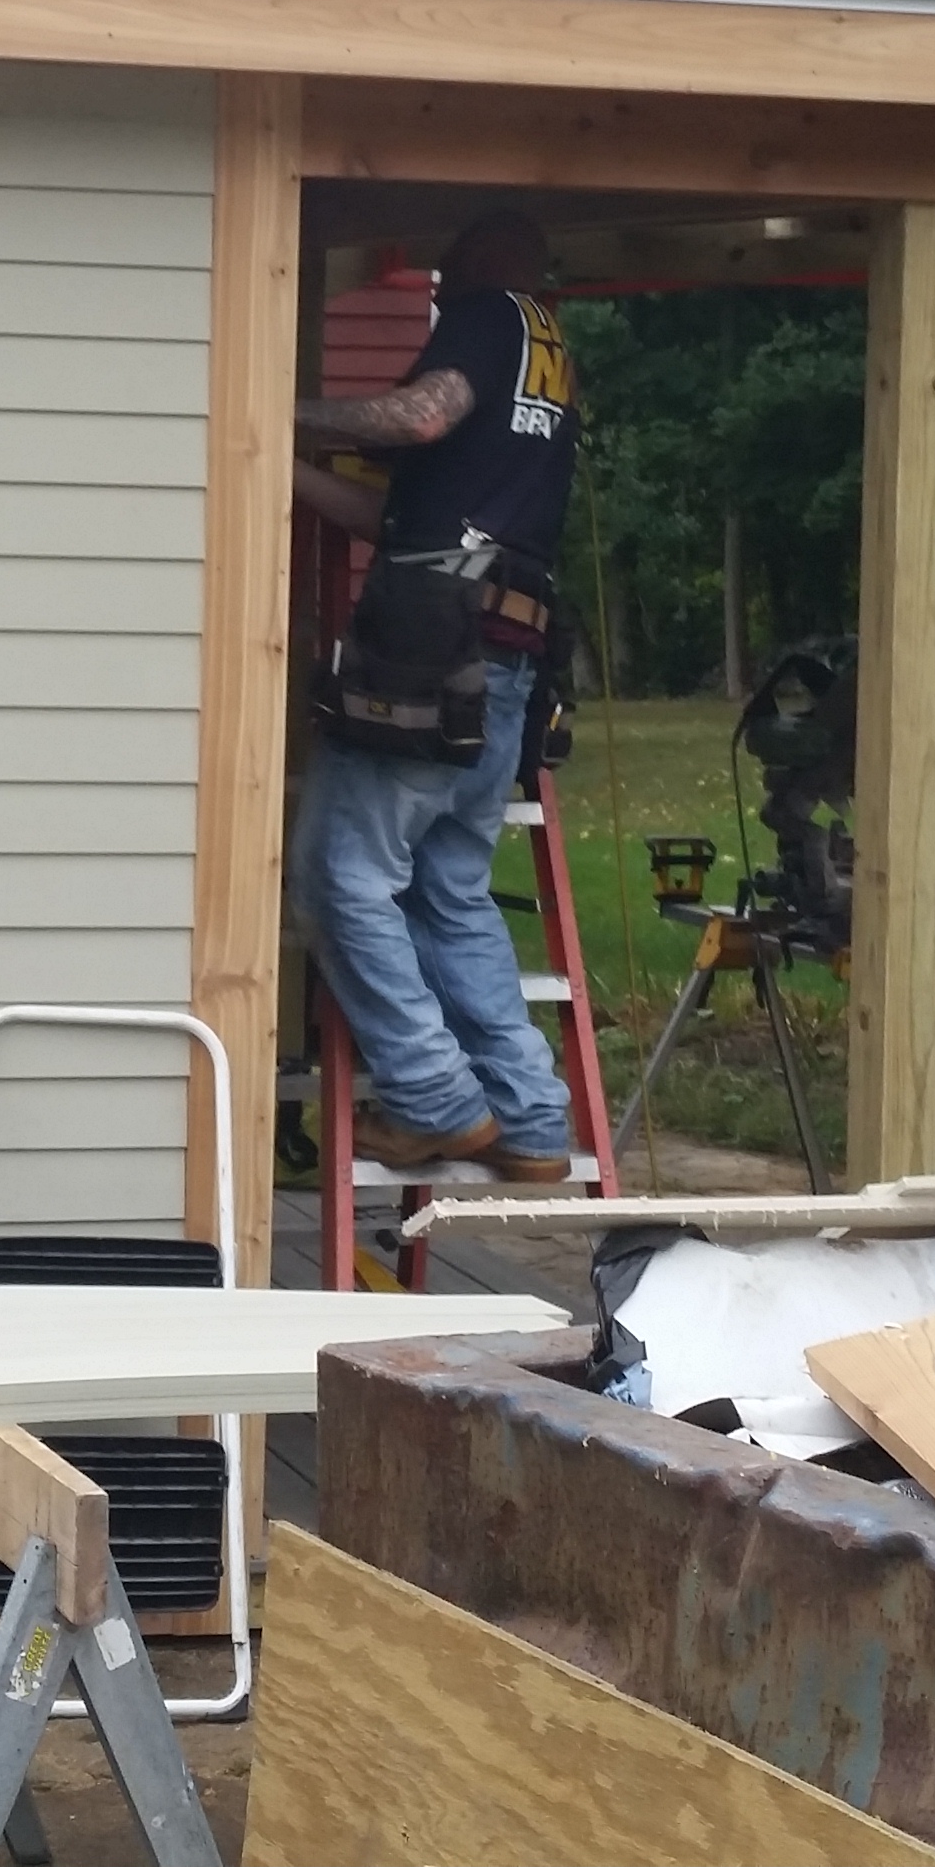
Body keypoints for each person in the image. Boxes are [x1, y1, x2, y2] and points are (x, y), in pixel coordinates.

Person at [288, 206, 577, 1179]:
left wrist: (264, 409)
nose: (440, 299)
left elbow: (416, 416)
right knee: (450, 890)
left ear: (473, 267)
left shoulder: (490, 312)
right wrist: (285, 472)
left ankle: (433, 1100)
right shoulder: (548, 353)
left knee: (340, 877)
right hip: (505, 649)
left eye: (443, 283)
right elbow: (404, 510)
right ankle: (533, 1123)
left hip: (429, 644)